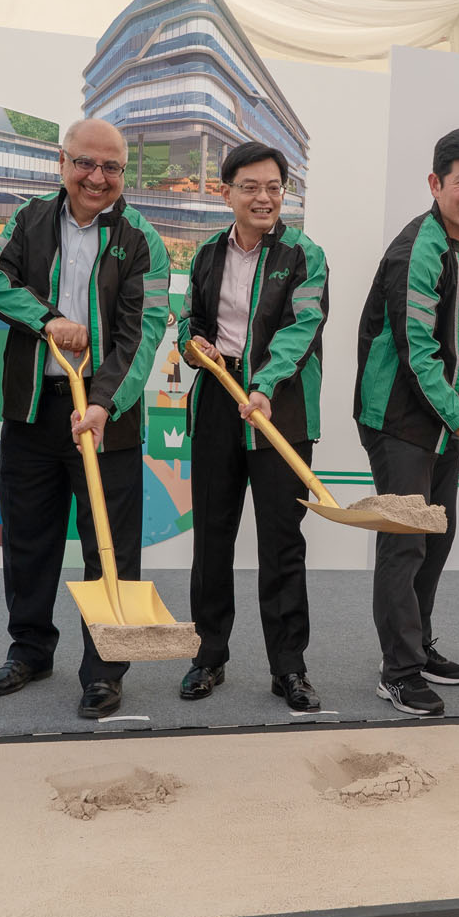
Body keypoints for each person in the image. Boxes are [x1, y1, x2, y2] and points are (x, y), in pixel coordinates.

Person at [0, 118, 169, 719]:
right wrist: (48, 318)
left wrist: (105, 402)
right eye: (86, 163)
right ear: (63, 162)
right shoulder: (29, 220)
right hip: (33, 410)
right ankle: (29, 650)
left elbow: (143, 332)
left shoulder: (142, 240)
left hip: (110, 418)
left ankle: (106, 668)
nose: (97, 177)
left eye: (111, 167)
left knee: (110, 549)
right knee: (29, 541)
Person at [353, 127, 459, 717]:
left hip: (436, 412)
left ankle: (417, 644)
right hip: (399, 415)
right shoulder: (417, 248)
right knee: (405, 542)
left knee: (435, 538)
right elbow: (417, 347)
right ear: (435, 184)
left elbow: (449, 321)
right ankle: (399, 671)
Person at [177, 141, 329, 711]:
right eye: (250, 187)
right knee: (212, 541)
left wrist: (264, 386)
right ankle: (207, 656)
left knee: (282, 544)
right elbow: (192, 320)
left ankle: (289, 668)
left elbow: (302, 328)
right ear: (227, 193)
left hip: (280, 409)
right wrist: (194, 349)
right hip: (218, 400)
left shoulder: (305, 254)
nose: (263, 198)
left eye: (273, 188)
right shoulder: (208, 254)